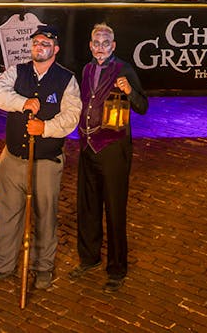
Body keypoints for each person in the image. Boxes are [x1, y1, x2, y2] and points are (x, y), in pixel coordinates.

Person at [0, 24, 82, 290]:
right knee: (7, 215)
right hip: (13, 158)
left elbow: (72, 117)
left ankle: (43, 268)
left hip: (46, 162)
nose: (39, 47)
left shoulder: (66, 79)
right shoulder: (18, 71)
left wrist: (46, 128)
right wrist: (22, 103)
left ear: (56, 49)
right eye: (36, 42)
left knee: (45, 216)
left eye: (45, 44)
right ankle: (3, 265)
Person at [70, 24, 149, 292]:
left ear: (113, 46)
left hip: (114, 148)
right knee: (88, 207)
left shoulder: (124, 69)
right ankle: (89, 258)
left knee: (114, 209)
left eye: (106, 43)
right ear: (90, 45)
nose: (101, 47)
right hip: (88, 146)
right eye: (96, 42)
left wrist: (129, 91)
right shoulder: (87, 69)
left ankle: (117, 268)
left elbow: (143, 106)